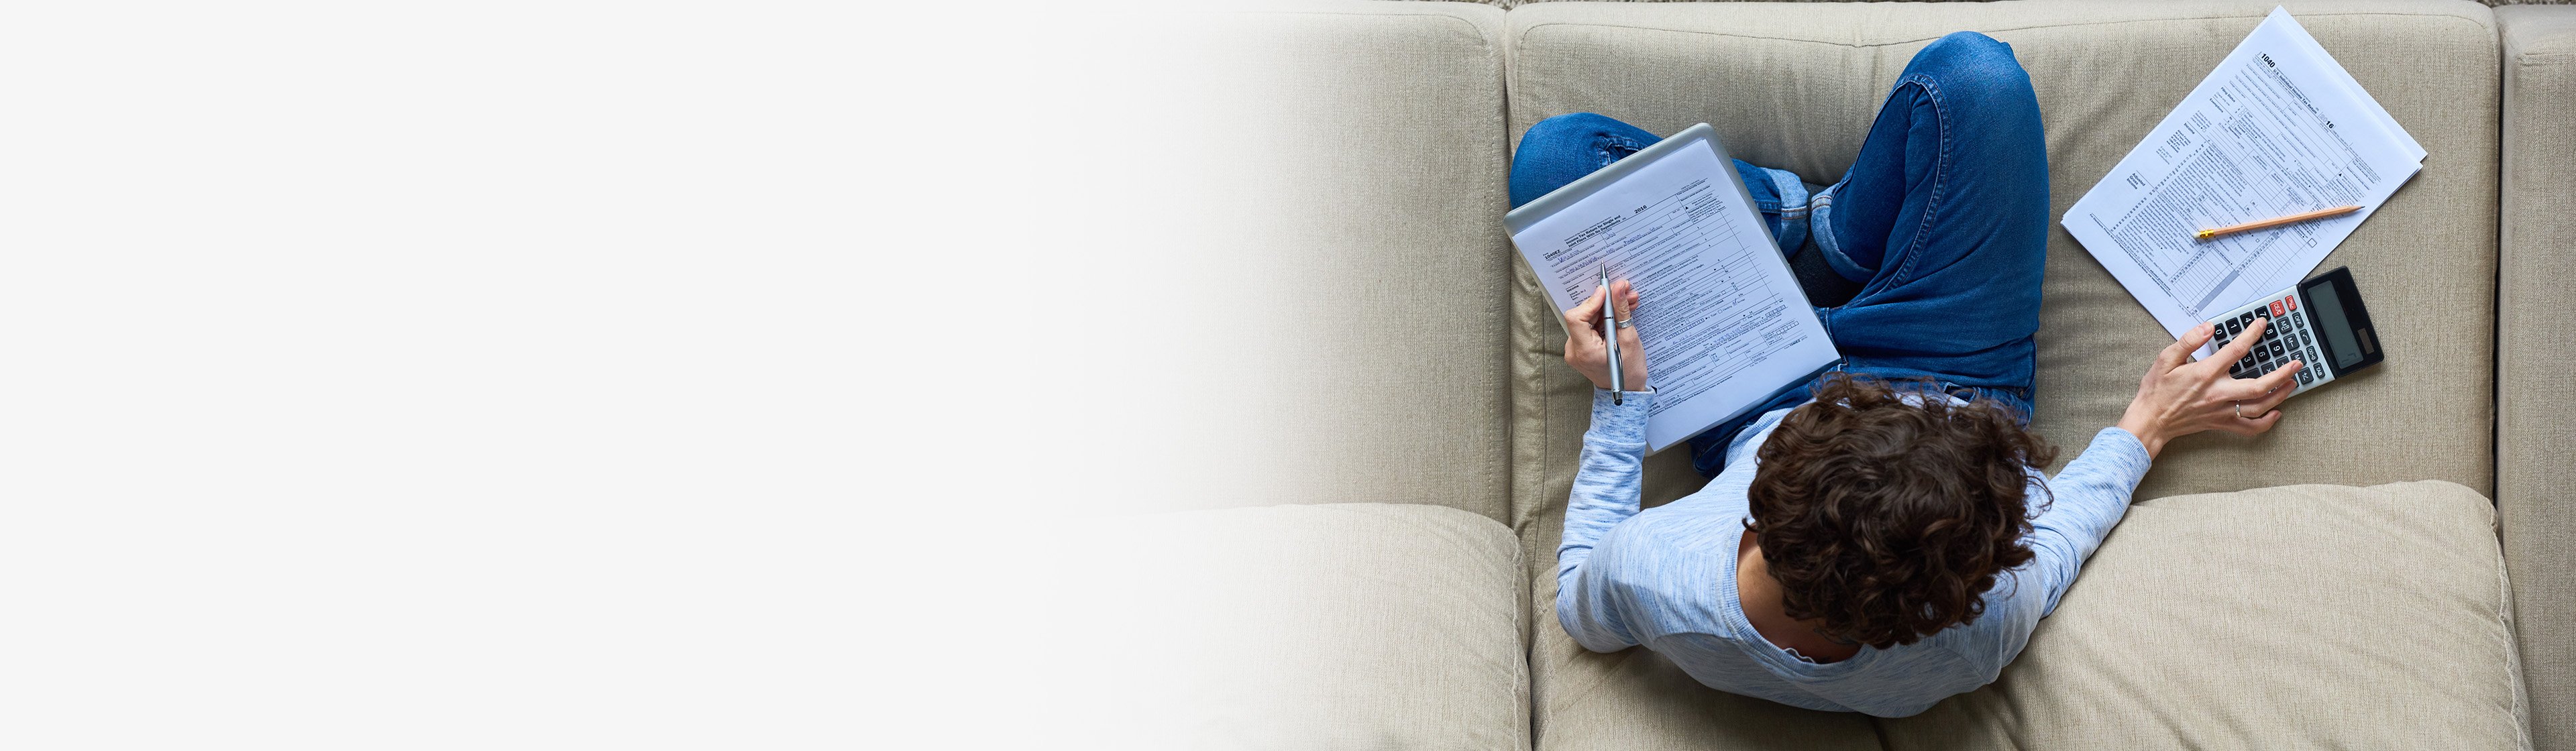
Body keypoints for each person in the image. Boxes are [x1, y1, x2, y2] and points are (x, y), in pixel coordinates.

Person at [1519, 32, 2305, 717]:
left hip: (1756, 392)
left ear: (1754, 515)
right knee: (1977, 77)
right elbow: (2063, 538)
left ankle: (1811, 234)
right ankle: (1831, 237)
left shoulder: (1659, 575)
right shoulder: (1975, 627)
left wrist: (1620, 398)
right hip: (1948, 361)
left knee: (1555, 164)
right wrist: (2149, 424)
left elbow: (1579, 603)